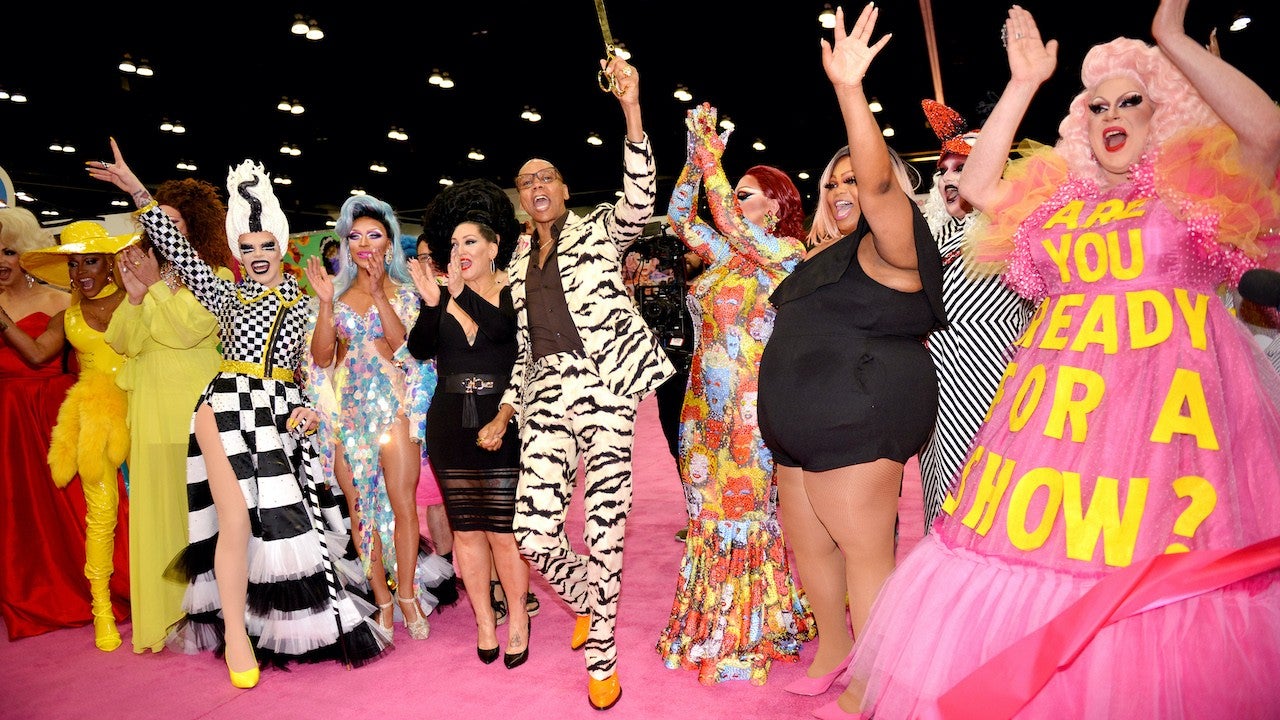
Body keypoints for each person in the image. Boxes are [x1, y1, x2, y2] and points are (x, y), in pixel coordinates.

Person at [842, 3, 1280, 718]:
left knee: (1154, 568)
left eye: (1130, 100)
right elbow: (978, 187)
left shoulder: (1189, 189)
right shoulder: (1059, 200)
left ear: (1162, 113)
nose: (1111, 114)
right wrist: (1024, 84)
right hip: (1058, 429)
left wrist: (1170, 39)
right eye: (1097, 105)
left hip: (1169, 426)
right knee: (1037, 560)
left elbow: (1265, 131)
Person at [88, 142, 389, 688]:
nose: (257, 254)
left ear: (282, 245)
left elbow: (317, 364)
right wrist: (136, 190)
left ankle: (260, 620)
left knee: (278, 527)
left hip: (280, 414)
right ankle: (234, 635)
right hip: (224, 407)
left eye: (267, 244)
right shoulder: (224, 294)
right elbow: (175, 246)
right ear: (236, 249)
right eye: (246, 246)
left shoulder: (305, 301)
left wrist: (310, 398)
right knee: (235, 523)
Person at [756, 4, 947, 711]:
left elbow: (878, 186)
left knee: (866, 552)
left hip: (859, 418)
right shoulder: (818, 256)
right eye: (830, 183)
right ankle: (836, 649)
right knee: (811, 546)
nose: (842, 191)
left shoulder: (894, 242)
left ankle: (876, 678)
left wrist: (848, 89)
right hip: (795, 429)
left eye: (851, 180)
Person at [496, 54, 675, 710]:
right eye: (526, 180)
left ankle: (602, 652)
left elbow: (641, 197)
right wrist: (510, 406)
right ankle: (583, 598)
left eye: (545, 176)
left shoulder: (600, 229)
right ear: (521, 199)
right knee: (533, 533)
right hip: (546, 395)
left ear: (565, 190)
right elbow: (523, 349)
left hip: (606, 390)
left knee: (605, 526)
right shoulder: (518, 261)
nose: (536, 184)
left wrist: (631, 108)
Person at [655, 101, 814, 685]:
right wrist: (694, 159)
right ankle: (708, 623)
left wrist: (713, 163)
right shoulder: (725, 257)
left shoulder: (785, 255)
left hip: (751, 407)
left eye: (748, 194)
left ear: (775, 205)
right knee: (703, 514)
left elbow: (723, 216)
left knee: (745, 514)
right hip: (700, 407)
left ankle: (750, 631)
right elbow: (680, 216)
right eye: (735, 192)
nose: (732, 200)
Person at [303, 194, 441, 642]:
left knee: (402, 505)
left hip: (395, 411)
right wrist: (326, 305)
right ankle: (381, 597)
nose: (363, 244)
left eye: (374, 235)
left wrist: (381, 295)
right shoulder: (334, 295)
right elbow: (322, 358)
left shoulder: (408, 294)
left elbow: (407, 349)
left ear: (389, 242)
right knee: (360, 510)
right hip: (348, 418)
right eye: (355, 236)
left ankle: (407, 595)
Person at [105, 178, 234, 654]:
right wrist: (136, 296)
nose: (164, 230)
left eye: (174, 222)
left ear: (194, 228)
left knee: (202, 514)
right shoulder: (147, 276)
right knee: (156, 514)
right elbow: (122, 342)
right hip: (150, 410)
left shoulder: (216, 277)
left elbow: (187, 331)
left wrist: (156, 288)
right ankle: (164, 617)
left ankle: (213, 616)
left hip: (195, 408)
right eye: (159, 222)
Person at [411, 178, 538, 625]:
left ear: (493, 246)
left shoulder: (513, 288)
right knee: (465, 528)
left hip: (502, 418)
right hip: (449, 421)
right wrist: (433, 305)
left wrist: (459, 292)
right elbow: (420, 349)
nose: (460, 250)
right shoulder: (442, 294)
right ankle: (485, 619)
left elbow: (503, 332)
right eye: (454, 243)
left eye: (469, 241)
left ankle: (517, 615)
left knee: (504, 530)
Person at [0, 209, 131, 641]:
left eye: (90, 260)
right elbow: (38, 353)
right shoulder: (69, 315)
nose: (81, 271)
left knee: (144, 504)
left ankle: (159, 594)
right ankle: (100, 611)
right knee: (97, 510)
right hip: (71, 416)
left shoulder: (132, 302)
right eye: (73, 264)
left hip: (128, 408)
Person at [917, 99, 1036, 532]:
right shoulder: (932, 237)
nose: (949, 178)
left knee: (990, 499)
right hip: (938, 388)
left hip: (994, 380)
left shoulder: (1013, 229)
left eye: (962, 168)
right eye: (943, 170)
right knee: (941, 500)